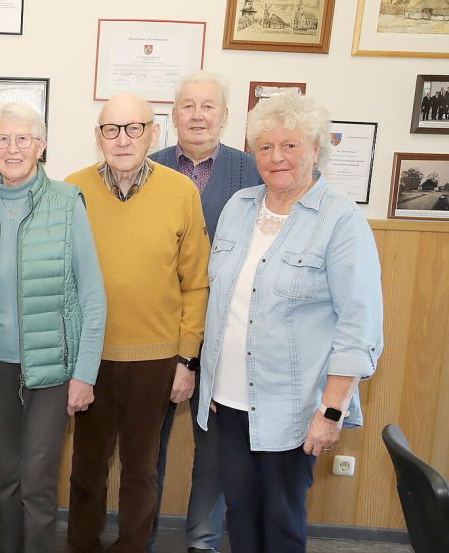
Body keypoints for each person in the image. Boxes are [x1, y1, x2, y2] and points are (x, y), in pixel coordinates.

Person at [198, 93, 383, 553]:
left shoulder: (341, 221)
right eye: (265, 147)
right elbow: (222, 301)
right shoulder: (239, 206)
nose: (276, 157)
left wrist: (332, 411)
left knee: (281, 522)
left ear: (316, 149)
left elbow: (358, 326)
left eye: (290, 145)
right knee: (240, 513)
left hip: (293, 409)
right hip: (228, 402)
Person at [65, 93, 210, 553]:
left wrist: (187, 359)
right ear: (98, 136)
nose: (122, 139)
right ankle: (82, 545)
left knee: (142, 469)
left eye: (134, 128)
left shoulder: (181, 192)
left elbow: (196, 284)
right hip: (90, 358)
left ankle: (132, 546)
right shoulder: (73, 190)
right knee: (87, 467)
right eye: (112, 129)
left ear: (153, 133)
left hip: (156, 359)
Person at [0, 102, 107, 553]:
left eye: (22, 139)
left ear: (41, 146)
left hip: (52, 369)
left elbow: (92, 295)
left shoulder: (67, 203)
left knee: (38, 481)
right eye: (3, 139)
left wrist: (84, 374)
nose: (12, 148)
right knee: (5, 479)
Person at [148, 71, 261, 553]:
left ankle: (202, 541)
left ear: (225, 115)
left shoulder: (253, 171)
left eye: (208, 106)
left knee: (212, 448)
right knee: (146, 448)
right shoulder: (146, 166)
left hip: (224, 333)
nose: (198, 115)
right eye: (188, 106)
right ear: (173, 115)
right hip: (157, 331)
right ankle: (141, 538)